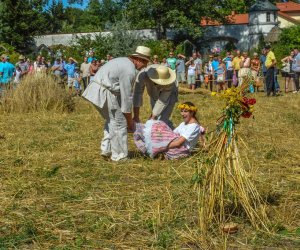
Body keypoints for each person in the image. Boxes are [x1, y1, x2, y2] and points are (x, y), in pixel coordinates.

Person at [82, 45, 151, 161]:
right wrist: (129, 122)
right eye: (145, 63)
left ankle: (107, 149)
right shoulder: (129, 70)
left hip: (96, 90)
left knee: (112, 120)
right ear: (139, 60)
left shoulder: (123, 61)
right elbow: (126, 98)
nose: (145, 66)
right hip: (104, 92)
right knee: (119, 122)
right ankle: (119, 156)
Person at [133, 102, 205, 160]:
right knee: (158, 128)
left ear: (192, 113)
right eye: (181, 111)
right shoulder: (183, 123)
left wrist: (161, 146)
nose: (182, 114)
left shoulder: (194, 126)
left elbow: (178, 143)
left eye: (185, 111)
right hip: (174, 143)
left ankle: (157, 151)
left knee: (159, 132)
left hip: (181, 149)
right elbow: (171, 134)